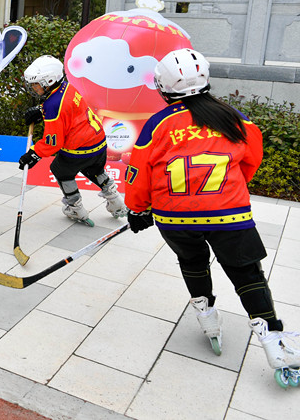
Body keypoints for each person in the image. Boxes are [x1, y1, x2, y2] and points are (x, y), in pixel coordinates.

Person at [124, 48, 299, 387]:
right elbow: (250, 161)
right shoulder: (235, 119)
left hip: (174, 217)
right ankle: (272, 337)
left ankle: (205, 313)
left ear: (163, 88)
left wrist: (138, 209)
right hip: (229, 214)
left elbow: (137, 172)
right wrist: (229, 190)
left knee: (192, 260)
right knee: (247, 272)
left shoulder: (157, 125)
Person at [18, 55, 126, 226]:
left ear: (49, 81)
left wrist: (33, 154)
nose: (33, 87)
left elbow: (53, 142)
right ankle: (115, 200)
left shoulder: (53, 105)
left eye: (36, 84)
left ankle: (75, 208)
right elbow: (68, 110)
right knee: (94, 169)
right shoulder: (67, 87)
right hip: (97, 142)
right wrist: (41, 110)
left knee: (60, 170)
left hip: (79, 149)